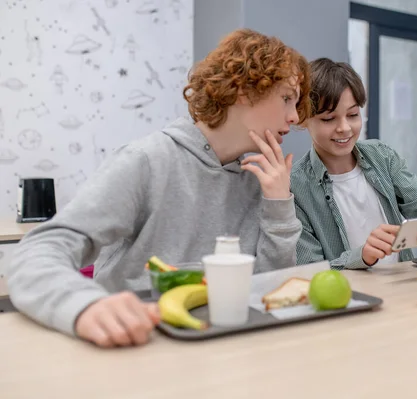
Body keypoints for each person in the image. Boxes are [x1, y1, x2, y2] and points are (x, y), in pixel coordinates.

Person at [7, 29, 311, 348]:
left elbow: (267, 292)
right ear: (245, 90)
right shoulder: (147, 161)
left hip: (224, 351)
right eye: (287, 99)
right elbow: (38, 250)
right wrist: (84, 305)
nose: (294, 116)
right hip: (133, 348)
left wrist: (279, 205)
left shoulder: (258, 180)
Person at [291, 58, 417, 269]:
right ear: (301, 118)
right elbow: (310, 270)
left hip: (401, 288)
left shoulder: (381, 156)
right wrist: (362, 256)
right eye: (329, 119)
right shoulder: (295, 187)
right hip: (348, 299)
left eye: (353, 115)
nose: (344, 128)